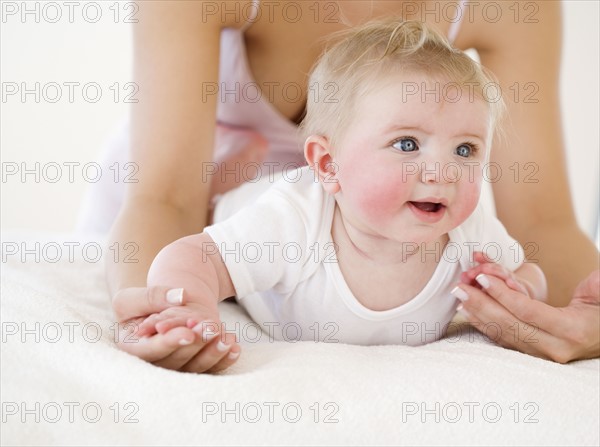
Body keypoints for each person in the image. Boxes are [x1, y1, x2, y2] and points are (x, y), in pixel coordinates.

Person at [95, 1, 598, 367]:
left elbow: (544, 229)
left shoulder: (469, 236)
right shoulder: (289, 216)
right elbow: (165, 203)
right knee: (227, 235)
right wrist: (169, 314)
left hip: (378, 211)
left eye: (464, 150)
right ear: (326, 160)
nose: (443, 170)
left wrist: (541, 296)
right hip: (184, 192)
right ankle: (226, 188)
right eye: (407, 143)